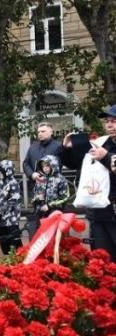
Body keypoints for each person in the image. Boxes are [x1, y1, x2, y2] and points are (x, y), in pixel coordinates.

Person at [62, 104, 116, 260]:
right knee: (103, 257)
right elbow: (75, 163)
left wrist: (105, 156)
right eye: (107, 121)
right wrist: (67, 149)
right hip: (100, 211)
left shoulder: (102, 149)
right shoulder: (101, 143)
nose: (110, 125)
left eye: (114, 121)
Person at [0, 159, 24, 255]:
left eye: (1, 171)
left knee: (13, 239)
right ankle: (7, 257)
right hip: (0, 219)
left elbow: (13, 201)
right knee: (3, 238)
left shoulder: (13, 183)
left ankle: (18, 258)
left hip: (11, 218)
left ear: (7, 171)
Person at [23, 122, 63, 193]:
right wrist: (32, 174)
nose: (40, 134)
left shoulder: (59, 146)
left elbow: (64, 162)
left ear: (51, 132)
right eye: (38, 132)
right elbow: (26, 163)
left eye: (43, 131)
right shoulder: (33, 147)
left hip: (54, 187)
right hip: (35, 187)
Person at [30, 155, 69, 222]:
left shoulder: (60, 179)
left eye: (47, 165)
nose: (45, 168)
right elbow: (34, 196)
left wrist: (49, 206)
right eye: (43, 166)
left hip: (55, 213)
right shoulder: (40, 179)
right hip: (41, 212)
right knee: (39, 231)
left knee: (52, 231)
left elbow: (64, 198)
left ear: (53, 165)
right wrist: (37, 199)